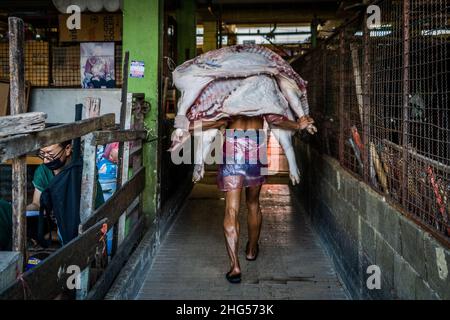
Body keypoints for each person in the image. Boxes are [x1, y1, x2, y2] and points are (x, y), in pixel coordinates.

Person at [189, 114, 315, 283]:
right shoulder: (262, 88)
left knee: (231, 209)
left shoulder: (229, 91)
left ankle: (234, 267)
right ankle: (251, 250)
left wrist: (194, 128)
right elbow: (274, 119)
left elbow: (217, 120)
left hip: (233, 144)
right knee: (253, 203)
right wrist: (298, 125)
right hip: (257, 144)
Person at [27, 140, 104, 244]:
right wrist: (21, 213)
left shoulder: (82, 171)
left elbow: (90, 211)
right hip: (58, 222)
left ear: (67, 149)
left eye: (50, 154)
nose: (45, 160)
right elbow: (36, 204)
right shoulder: (43, 171)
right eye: (42, 154)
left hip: (82, 223)